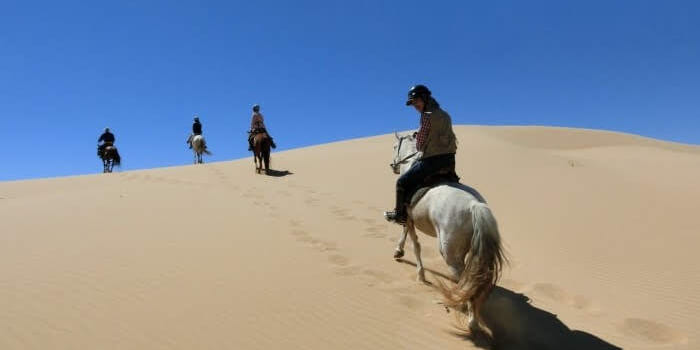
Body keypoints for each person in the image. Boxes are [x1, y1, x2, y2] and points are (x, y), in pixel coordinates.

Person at [384, 85, 458, 225]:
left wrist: (419, 139)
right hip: (449, 161)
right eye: (413, 103)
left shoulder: (426, 117)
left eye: (416, 101)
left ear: (425, 98)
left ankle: (400, 215)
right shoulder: (445, 115)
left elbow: (419, 145)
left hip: (431, 161)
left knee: (401, 182)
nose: (415, 105)